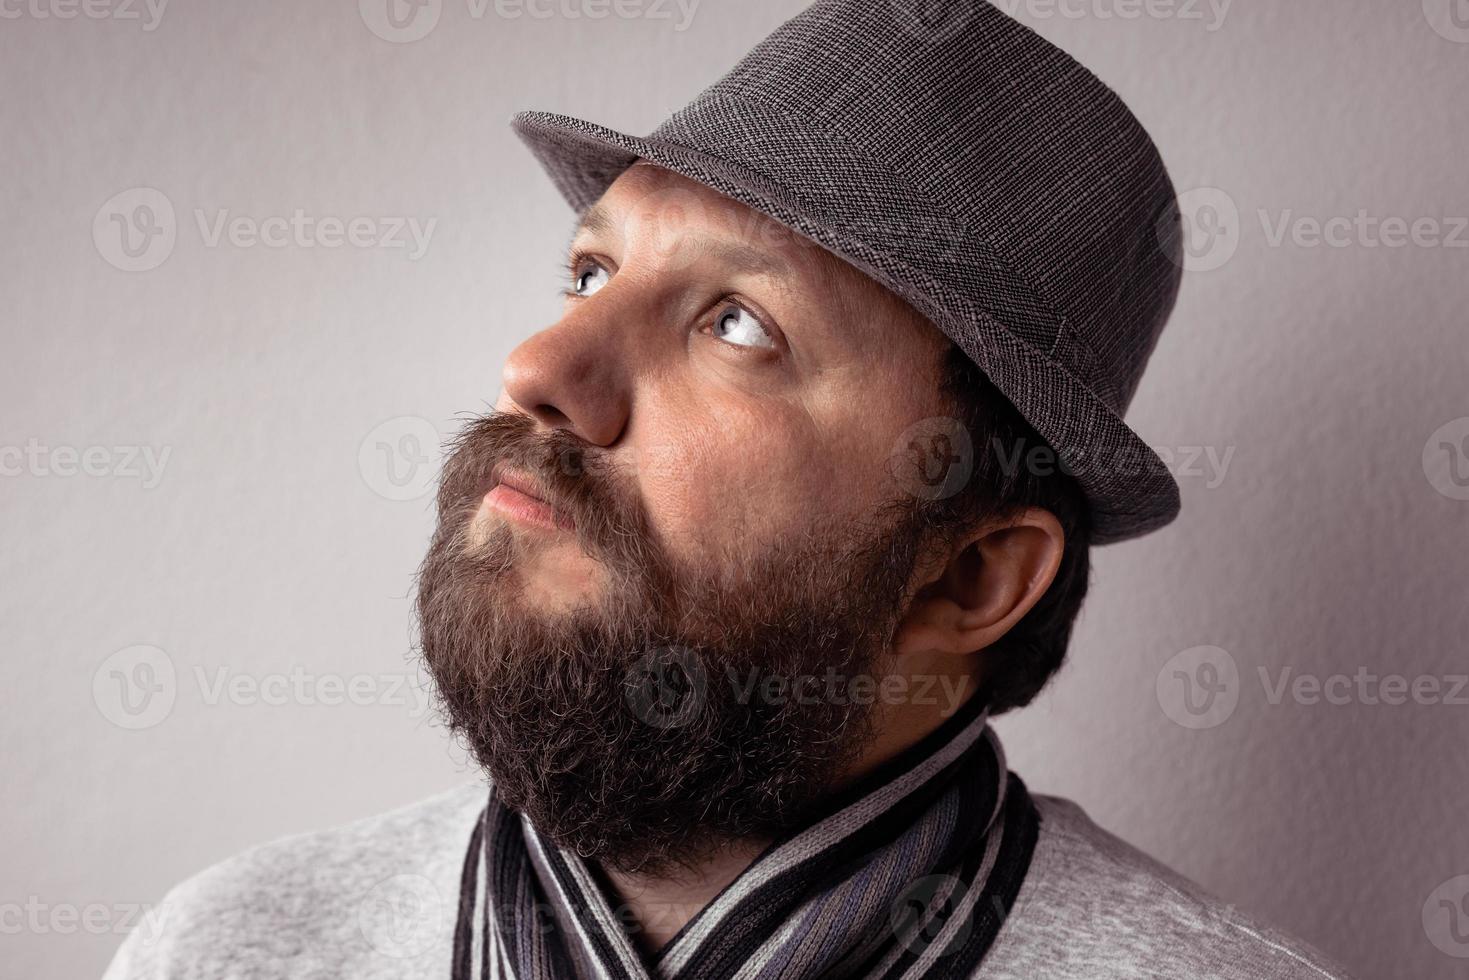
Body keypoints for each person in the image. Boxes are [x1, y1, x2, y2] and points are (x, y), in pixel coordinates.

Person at [104, 2, 1354, 977]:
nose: (537, 369)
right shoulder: (217, 945)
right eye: (590, 274)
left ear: (970, 571)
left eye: (740, 324)